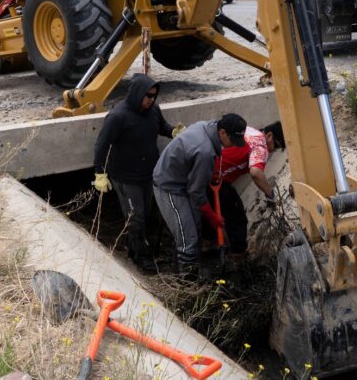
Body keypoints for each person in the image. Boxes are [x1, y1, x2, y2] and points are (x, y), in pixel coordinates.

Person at [93, 74, 181, 273]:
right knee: (136, 216)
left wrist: (174, 132)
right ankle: (139, 255)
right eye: (148, 96)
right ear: (136, 94)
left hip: (148, 173)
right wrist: (100, 173)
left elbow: (162, 127)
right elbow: (101, 145)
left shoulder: (153, 111)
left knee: (146, 212)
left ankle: (135, 244)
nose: (151, 99)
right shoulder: (118, 116)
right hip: (125, 176)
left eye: (154, 96)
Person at [152, 113, 248, 278]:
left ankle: (192, 268)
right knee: (188, 240)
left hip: (183, 180)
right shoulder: (205, 152)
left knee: (195, 229)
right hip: (169, 186)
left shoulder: (208, 126)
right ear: (223, 132)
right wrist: (212, 217)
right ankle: (186, 286)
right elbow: (196, 192)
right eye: (232, 140)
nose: (232, 145)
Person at [203, 122, 286, 259]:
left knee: (209, 210)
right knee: (236, 216)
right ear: (269, 135)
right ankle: (238, 255)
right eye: (276, 145)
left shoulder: (249, 131)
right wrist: (271, 195)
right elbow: (255, 173)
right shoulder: (261, 145)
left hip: (203, 171)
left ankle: (206, 244)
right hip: (215, 178)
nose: (273, 150)